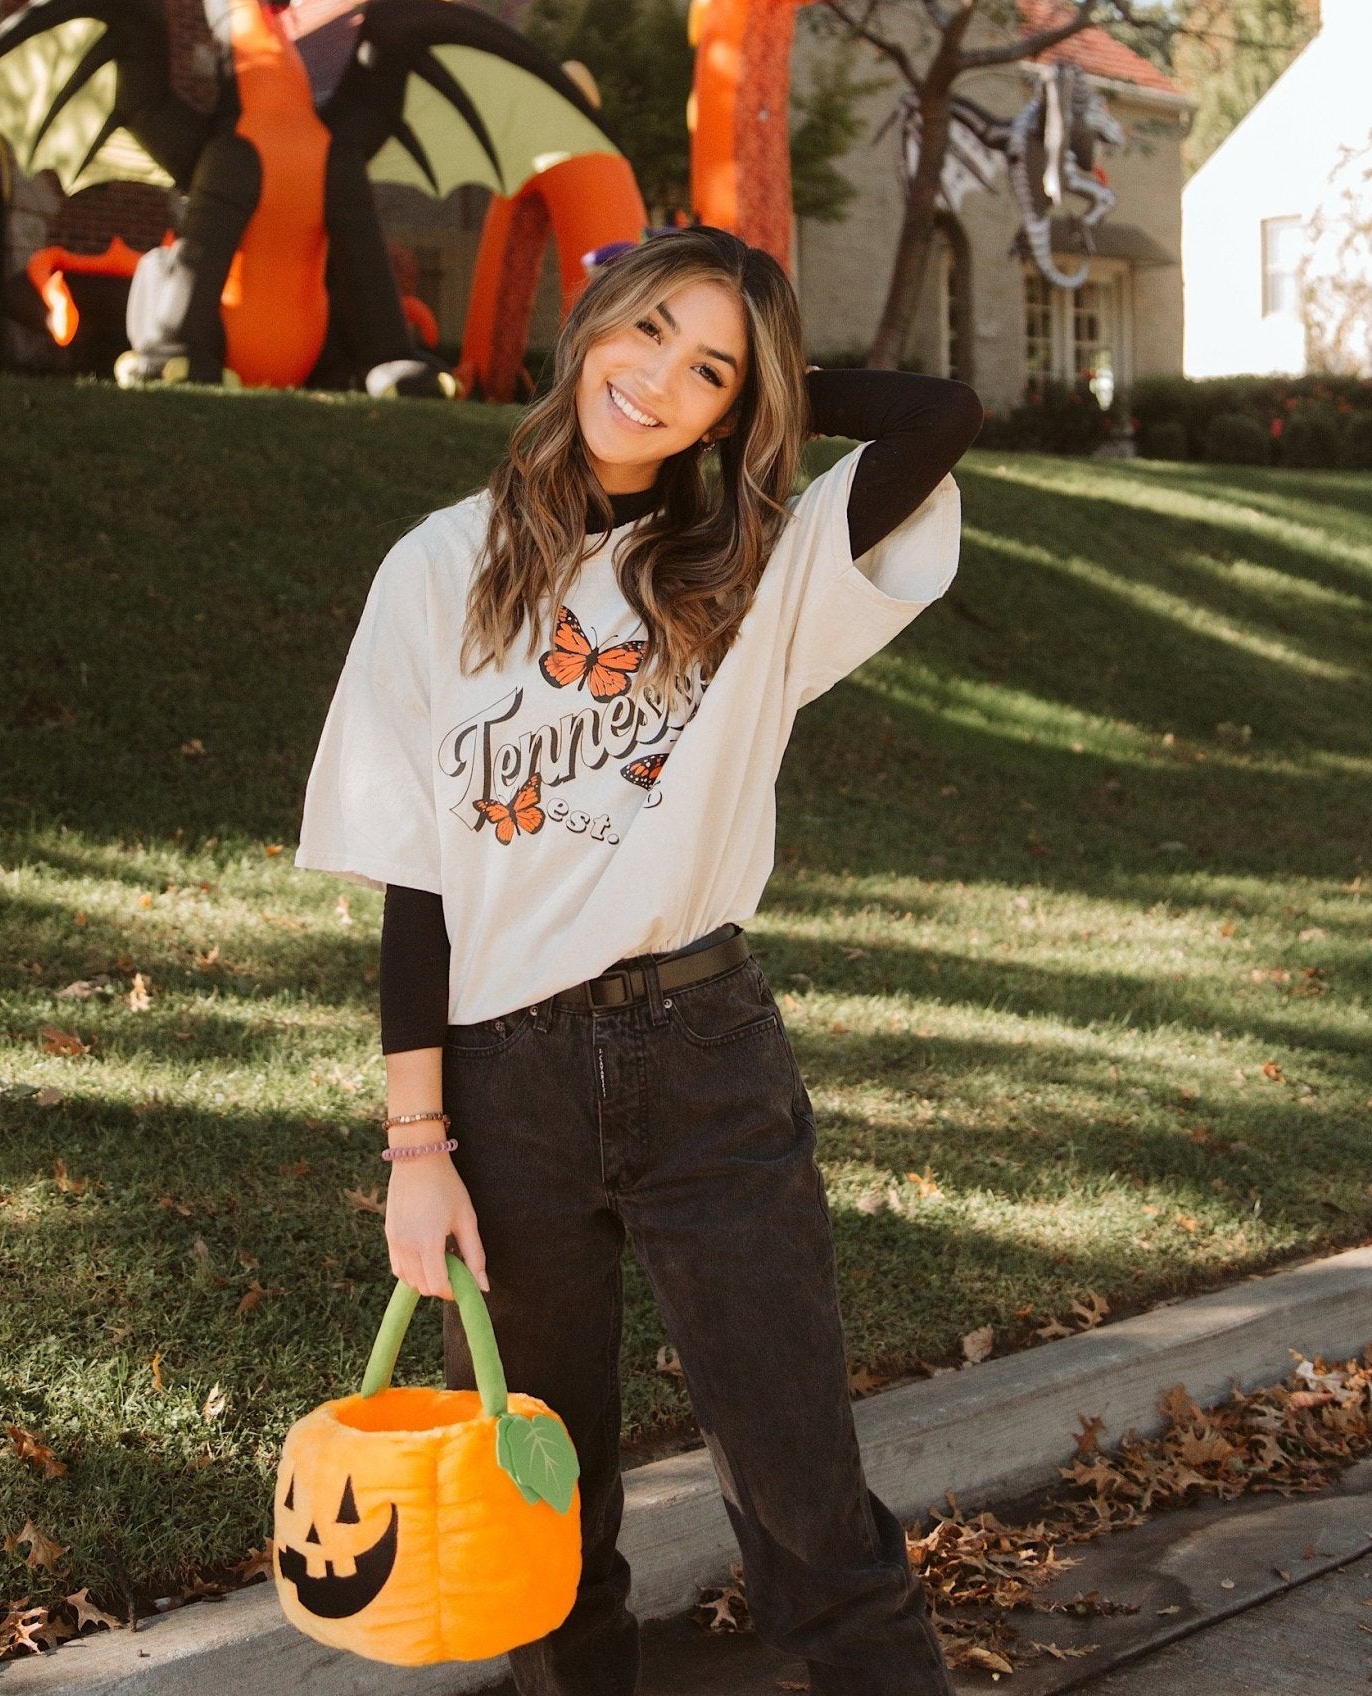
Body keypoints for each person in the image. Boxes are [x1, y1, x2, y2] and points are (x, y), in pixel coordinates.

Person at [296, 225, 982, 1696]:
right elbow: (416, 885)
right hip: (503, 1086)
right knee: (543, 1507)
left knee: (802, 1493)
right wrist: (416, 1149)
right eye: (648, 329)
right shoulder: (437, 568)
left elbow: (939, 416)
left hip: (702, 1058)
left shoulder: (757, 568)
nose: (658, 377)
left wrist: (768, 391)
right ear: (592, 319)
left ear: (739, 410)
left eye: (709, 371)